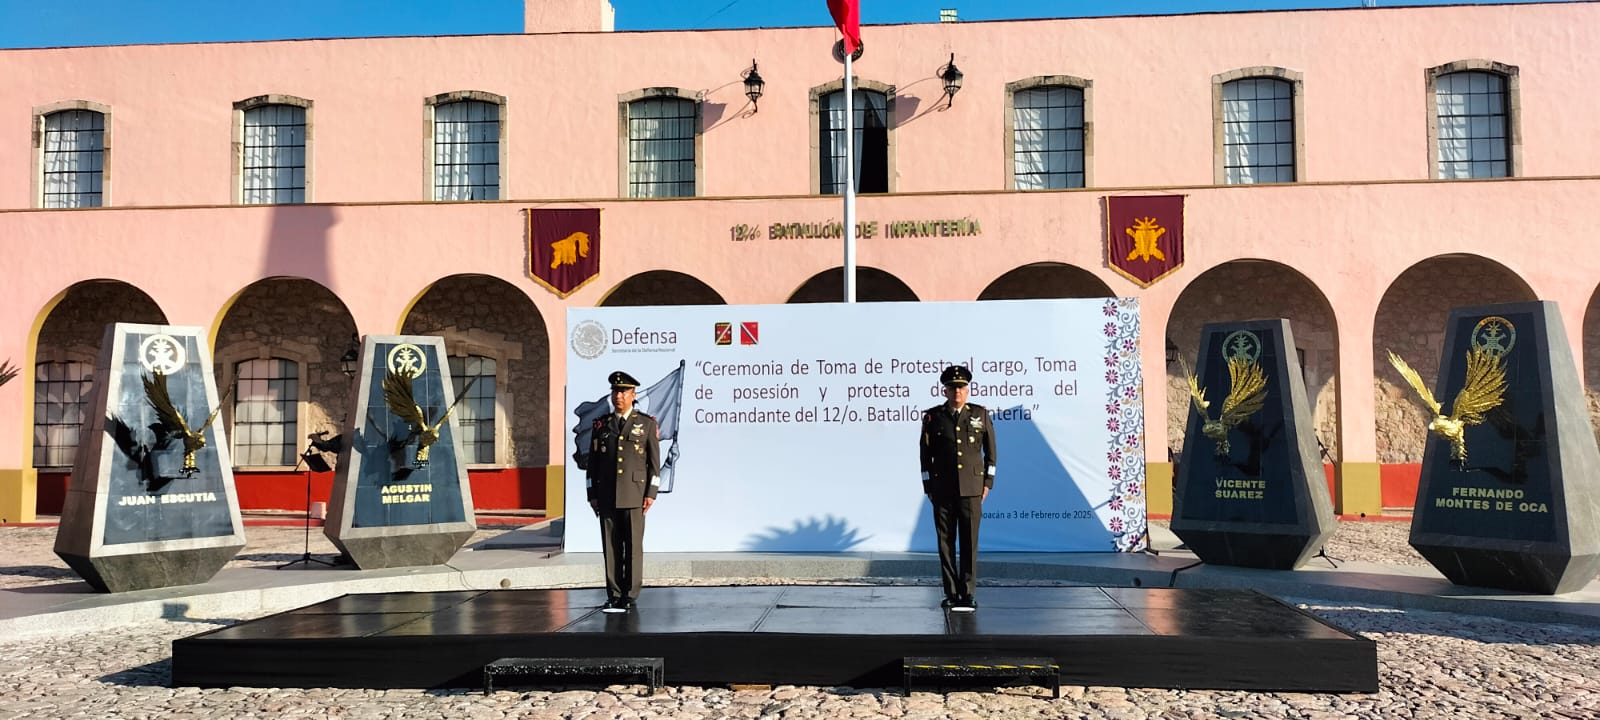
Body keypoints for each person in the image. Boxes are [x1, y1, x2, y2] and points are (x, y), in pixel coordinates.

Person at [919, 364, 996, 612]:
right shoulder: (933, 417)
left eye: (961, 388)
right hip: (942, 489)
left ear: (968, 389)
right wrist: (928, 486)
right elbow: (925, 456)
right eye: (952, 388)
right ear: (945, 390)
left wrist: (988, 483)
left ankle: (968, 593)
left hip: (972, 489)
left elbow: (991, 454)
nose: (957, 392)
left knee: (969, 542)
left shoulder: (980, 414)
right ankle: (951, 593)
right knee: (945, 542)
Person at [586, 370, 661, 613]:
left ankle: (630, 593)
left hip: (634, 494)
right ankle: (614, 593)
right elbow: (593, 464)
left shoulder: (646, 424)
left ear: (632, 395)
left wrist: (651, 492)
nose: (618, 395)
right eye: (615, 391)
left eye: (623, 391)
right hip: (607, 495)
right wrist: (592, 494)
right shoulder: (601, 425)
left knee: (633, 547)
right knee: (611, 547)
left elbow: (654, 463)